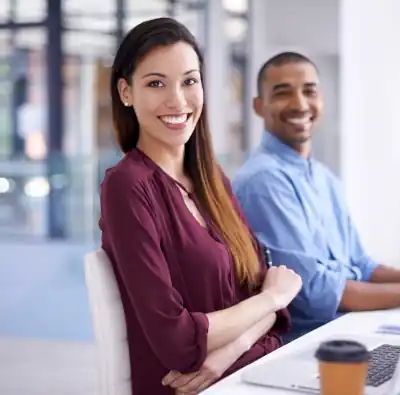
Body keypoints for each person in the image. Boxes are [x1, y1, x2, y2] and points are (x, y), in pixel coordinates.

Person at [99, 19, 302, 395]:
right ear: (126, 92)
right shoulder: (126, 187)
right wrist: (270, 299)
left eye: (189, 81)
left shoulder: (213, 180)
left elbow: (271, 307)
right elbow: (176, 340)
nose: (177, 100)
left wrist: (228, 351)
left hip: (248, 371)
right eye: (156, 83)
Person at [232, 52, 400, 343]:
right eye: (283, 93)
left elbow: (364, 267)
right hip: (308, 344)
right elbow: (314, 292)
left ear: (321, 101)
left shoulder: (325, 178)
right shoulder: (263, 181)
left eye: (309, 91)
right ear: (259, 107)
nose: (300, 104)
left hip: (351, 326)